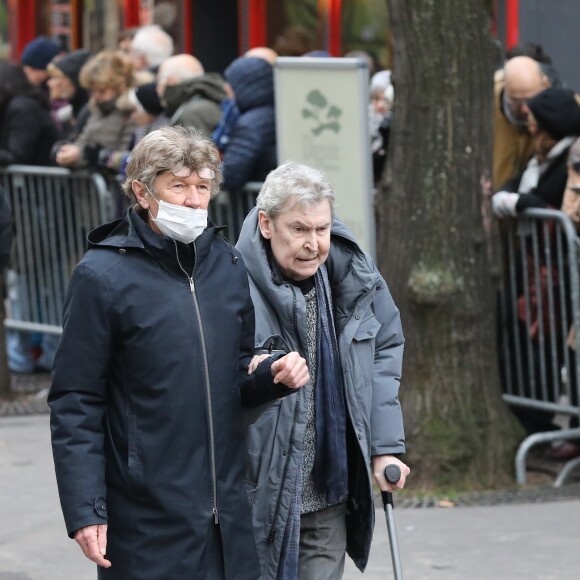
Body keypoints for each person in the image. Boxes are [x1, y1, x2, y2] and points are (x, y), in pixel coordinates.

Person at [48, 126, 309, 579]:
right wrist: (86, 509)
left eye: (202, 187)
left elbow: (233, 376)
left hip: (227, 514)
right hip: (145, 515)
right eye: (179, 185)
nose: (192, 200)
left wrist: (270, 376)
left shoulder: (227, 266)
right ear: (142, 192)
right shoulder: (102, 276)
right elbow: (75, 400)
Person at [236, 161, 410, 579]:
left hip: (328, 488)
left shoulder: (353, 278)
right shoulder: (229, 283)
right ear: (266, 224)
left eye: (322, 229)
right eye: (299, 229)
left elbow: (382, 354)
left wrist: (385, 444)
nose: (313, 243)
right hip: (257, 493)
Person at [53, 50, 137, 176]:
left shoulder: (130, 111)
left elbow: (120, 150)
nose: (96, 96)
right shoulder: (96, 109)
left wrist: (80, 155)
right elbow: (84, 140)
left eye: (102, 91)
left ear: (120, 86)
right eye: (93, 91)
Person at [493, 55, 558, 190]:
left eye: (531, 100)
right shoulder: (486, 105)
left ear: (544, 85)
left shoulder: (564, 111)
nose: (525, 109)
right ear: (506, 91)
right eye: (516, 101)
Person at [221, 55, 277, 192]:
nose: (227, 92)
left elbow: (231, 174)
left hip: (257, 205)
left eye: (231, 86)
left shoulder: (249, 125)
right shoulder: (277, 114)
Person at [156, 54, 226, 135]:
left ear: (170, 80)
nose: (157, 89)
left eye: (159, 80)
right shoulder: (203, 100)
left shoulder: (192, 112)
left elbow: (194, 147)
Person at [46, 49, 93, 141]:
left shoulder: (88, 112)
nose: (49, 83)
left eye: (56, 78)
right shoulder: (66, 111)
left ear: (74, 81)